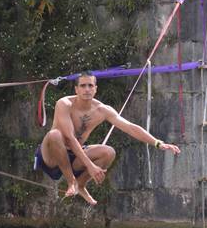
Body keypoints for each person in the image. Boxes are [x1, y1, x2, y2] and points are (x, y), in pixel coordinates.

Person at [34, 71, 181, 205]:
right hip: (52, 155)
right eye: (83, 86)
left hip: (75, 157)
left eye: (90, 85)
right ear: (76, 89)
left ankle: (80, 184)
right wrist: (91, 166)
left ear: (95, 89)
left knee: (108, 152)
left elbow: (130, 127)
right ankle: (71, 181)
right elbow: (70, 138)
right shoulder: (64, 104)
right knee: (55, 135)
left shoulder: (102, 110)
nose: (87, 89)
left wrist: (157, 143)